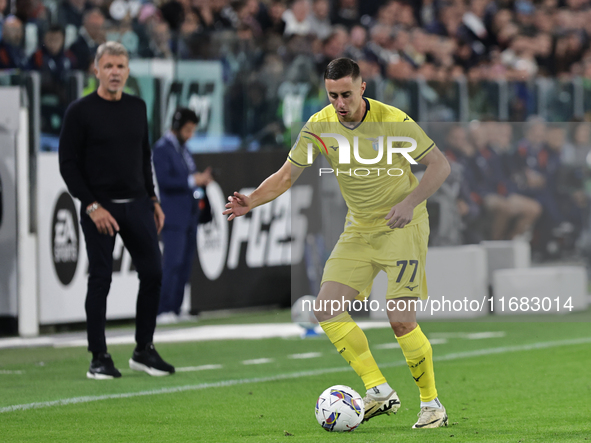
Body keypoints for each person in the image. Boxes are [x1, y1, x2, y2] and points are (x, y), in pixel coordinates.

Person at [224, 57, 451, 429]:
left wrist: (410, 203)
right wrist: (252, 200)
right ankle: (377, 390)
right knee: (326, 309)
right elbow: (285, 176)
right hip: (359, 229)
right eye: (332, 95)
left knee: (400, 321)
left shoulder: (393, 121)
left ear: (363, 88)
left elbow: (440, 164)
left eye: (346, 94)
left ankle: (432, 406)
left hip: (402, 228)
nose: (340, 103)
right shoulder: (319, 126)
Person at [59, 41, 175, 379]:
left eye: (120, 67)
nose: (114, 73)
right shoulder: (79, 112)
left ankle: (144, 349)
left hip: (138, 204)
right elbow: (68, 165)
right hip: (100, 209)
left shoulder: (137, 107)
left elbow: (143, 158)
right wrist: (92, 205)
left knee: (153, 273)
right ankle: (99, 357)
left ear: (127, 71)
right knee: (100, 280)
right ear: (96, 70)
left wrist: (152, 199)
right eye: (108, 66)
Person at [152, 108, 213, 324]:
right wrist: (192, 180)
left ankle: (176, 308)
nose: (190, 135)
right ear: (177, 127)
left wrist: (200, 180)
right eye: (187, 130)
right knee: (172, 262)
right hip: (173, 215)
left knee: (186, 263)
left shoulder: (182, 149)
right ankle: (163, 309)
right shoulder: (162, 149)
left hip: (189, 214)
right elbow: (164, 181)